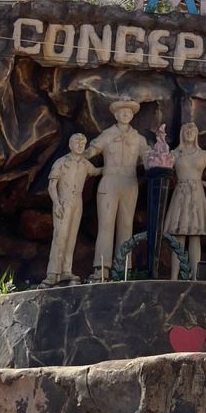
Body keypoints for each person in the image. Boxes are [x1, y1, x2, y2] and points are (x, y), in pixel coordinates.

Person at [85, 100, 151, 280]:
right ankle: (101, 268)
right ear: (115, 115)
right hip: (110, 180)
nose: (126, 114)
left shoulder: (138, 138)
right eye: (122, 111)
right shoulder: (107, 135)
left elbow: (148, 156)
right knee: (106, 224)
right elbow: (92, 150)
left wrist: (157, 161)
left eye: (129, 112)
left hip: (129, 182)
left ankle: (123, 269)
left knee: (126, 225)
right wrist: (79, 155)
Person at [164, 121, 206, 281]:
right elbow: (164, 168)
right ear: (182, 134)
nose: (189, 133)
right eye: (186, 130)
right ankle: (174, 277)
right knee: (179, 236)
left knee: (195, 236)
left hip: (197, 195)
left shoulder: (203, 154)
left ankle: (194, 277)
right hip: (181, 193)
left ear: (197, 134)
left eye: (192, 130)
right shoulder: (175, 153)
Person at [44, 133, 101, 286]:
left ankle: (66, 270)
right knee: (60, 236)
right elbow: (52, 186)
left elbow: (96, 171)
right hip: (63, 200)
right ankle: (52, 273)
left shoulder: (84, 163)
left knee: (71, 237)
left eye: (83, 143)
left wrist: (115, 167)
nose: (80, 145)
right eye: (77, 142)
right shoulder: (61, 162)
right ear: (70, 145)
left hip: (77, 201)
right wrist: (56, 203)